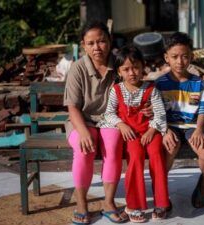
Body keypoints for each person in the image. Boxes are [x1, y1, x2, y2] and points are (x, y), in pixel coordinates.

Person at [64, 21, 128, 224]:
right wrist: (82, 132)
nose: (96, 47)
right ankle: (81, 202)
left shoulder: (118, 64)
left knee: (114, 143)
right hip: (82, 120)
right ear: (83, 45)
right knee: (85, 148)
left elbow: (131, 88)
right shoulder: (78, 68)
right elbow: (73, 107)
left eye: (101, 41)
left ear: (109, 41)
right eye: (90, 43)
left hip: (111, 119)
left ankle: (108, 202)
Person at [102, 45, 170, 222]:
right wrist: (121, 125)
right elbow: (108, 113)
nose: (132, 73)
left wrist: (152, 130)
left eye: (136, 67)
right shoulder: (116, 90)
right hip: (131, 134)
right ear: (119, 71)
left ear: (143, 68)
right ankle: (134, 204)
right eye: (126, 69)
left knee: (156, 154)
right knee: (136, 157)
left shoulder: (151, 89)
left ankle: (162, 203)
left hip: (151, 131)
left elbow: (160, 113)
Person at [155, 32, 204, 208]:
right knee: (169, 147)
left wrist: (198, 130)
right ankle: (162, 191)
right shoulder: (160, 83)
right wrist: (165, 131)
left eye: (184, 56)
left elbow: (203, 110)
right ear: (166, 58)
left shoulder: (198, 83)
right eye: (174, 57)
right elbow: (158, 112)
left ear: (191, 57)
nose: (180, 61)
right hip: (169, 127)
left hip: (192, 127)